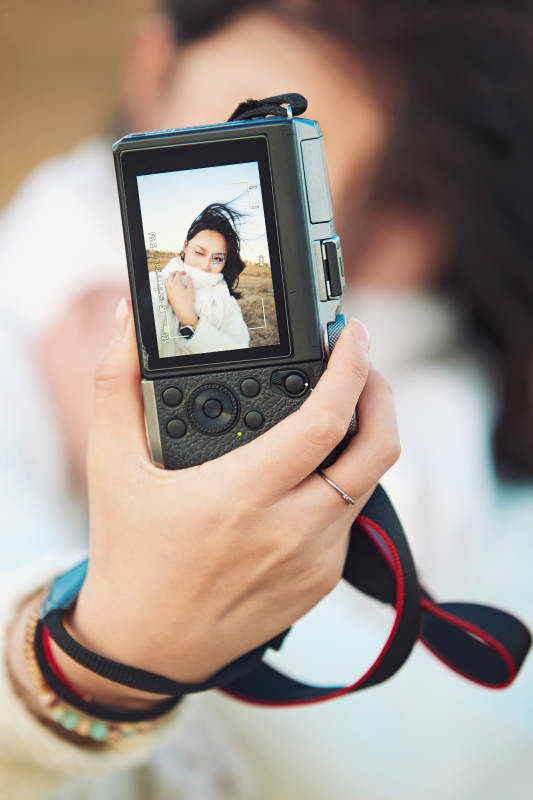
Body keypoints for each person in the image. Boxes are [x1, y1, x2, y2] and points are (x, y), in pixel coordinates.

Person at [0, 1, 532, 798]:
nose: (328, 210)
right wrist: (112, 643)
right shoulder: (37, 311)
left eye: (405, 185)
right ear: (152, 67)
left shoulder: (463, 396)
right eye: (259, 126)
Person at [150, 203, 251, 356]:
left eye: (217, 258)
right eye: (199, 252)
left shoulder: (227, 303)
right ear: (186, 246)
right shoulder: (154, 283)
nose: (205, 266)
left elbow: (239, 354)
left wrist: (190, 321)